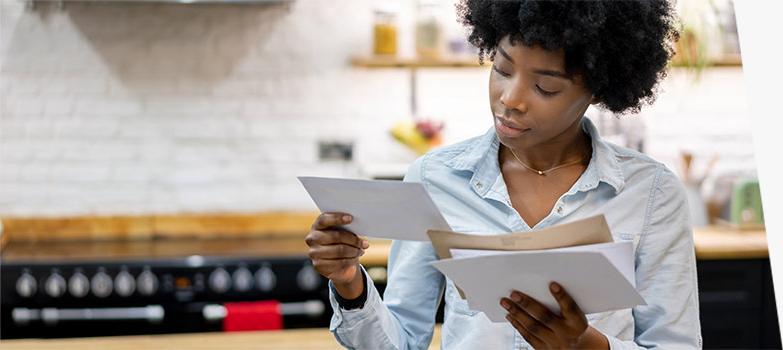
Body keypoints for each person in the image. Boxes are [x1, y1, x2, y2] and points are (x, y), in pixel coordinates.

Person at [304, 1, 701, 349]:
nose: (510, 99)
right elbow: (402, 342)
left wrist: (586, 347)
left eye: (545, 87)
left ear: (597, 90)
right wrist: (349, 282)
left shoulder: (650, 194)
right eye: (501, 68)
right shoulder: (435, 178)